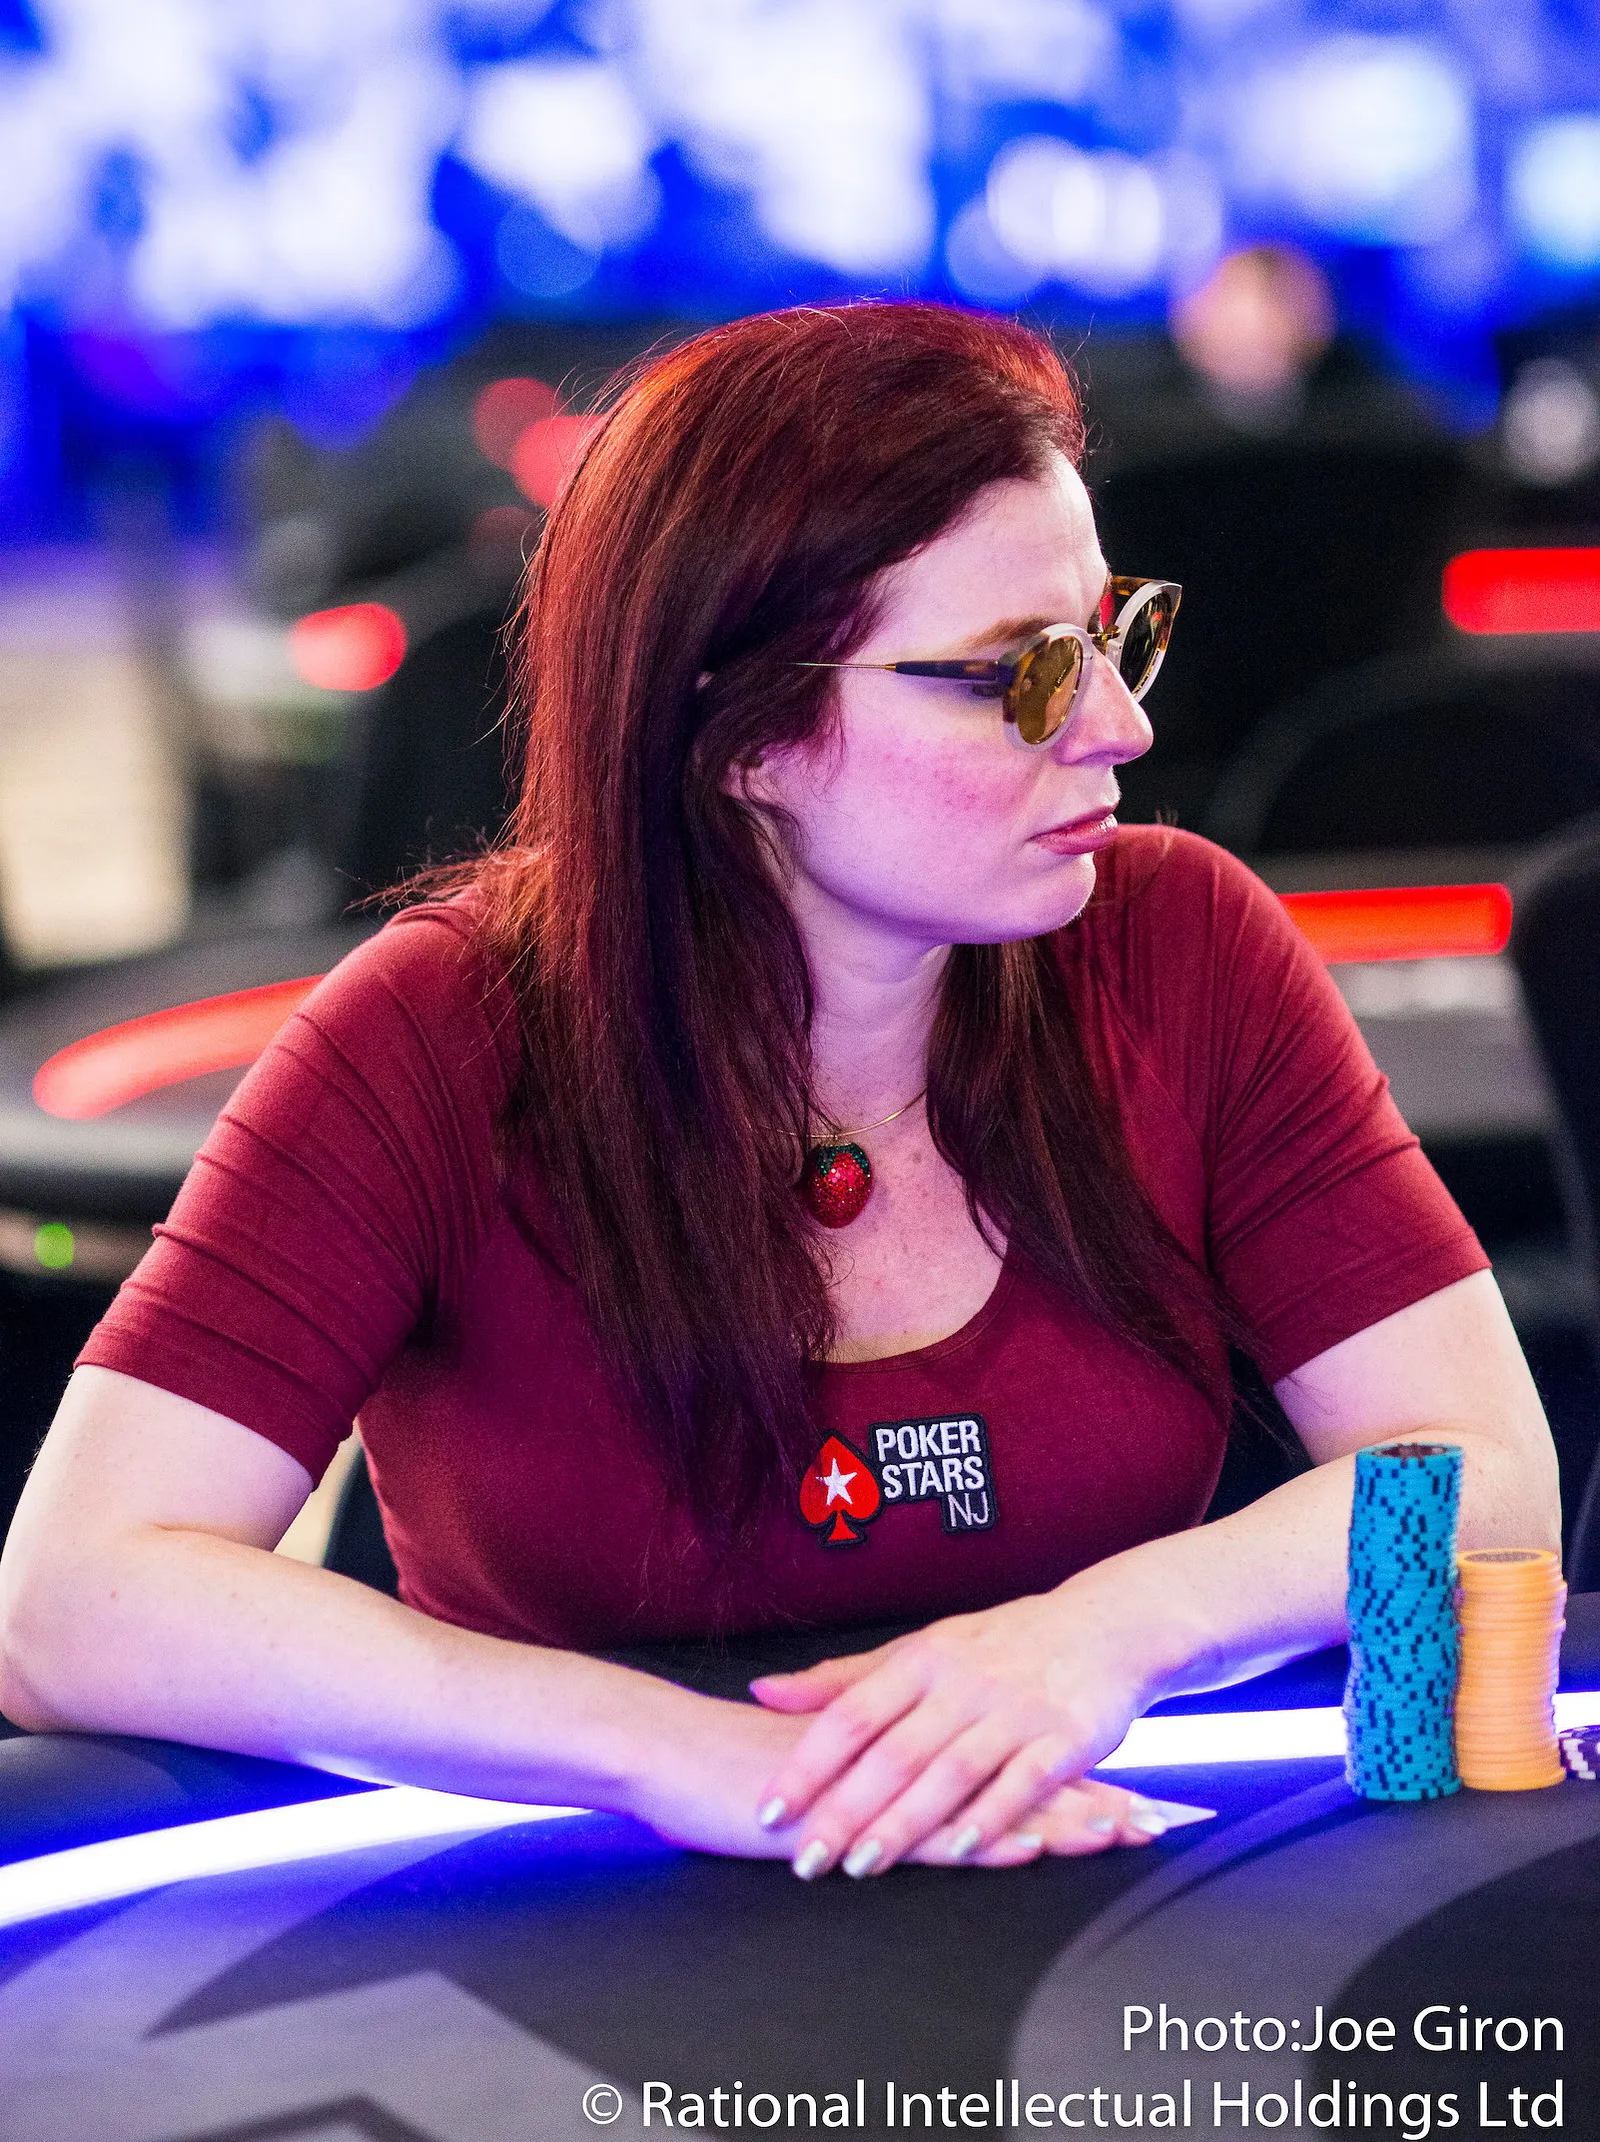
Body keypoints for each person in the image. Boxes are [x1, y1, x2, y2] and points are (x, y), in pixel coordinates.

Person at [0, 303, 1557, 1883]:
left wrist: (1106, 1636)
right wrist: (670, 1752)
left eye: (1111, 637)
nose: (1121, 728)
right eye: (1018, 673)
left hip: (1102, 1880)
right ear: (736, 734)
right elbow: (66, 1604)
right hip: (562, 1922)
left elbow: (1493, 1487)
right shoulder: (438, 1031)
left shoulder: (1183, 946)